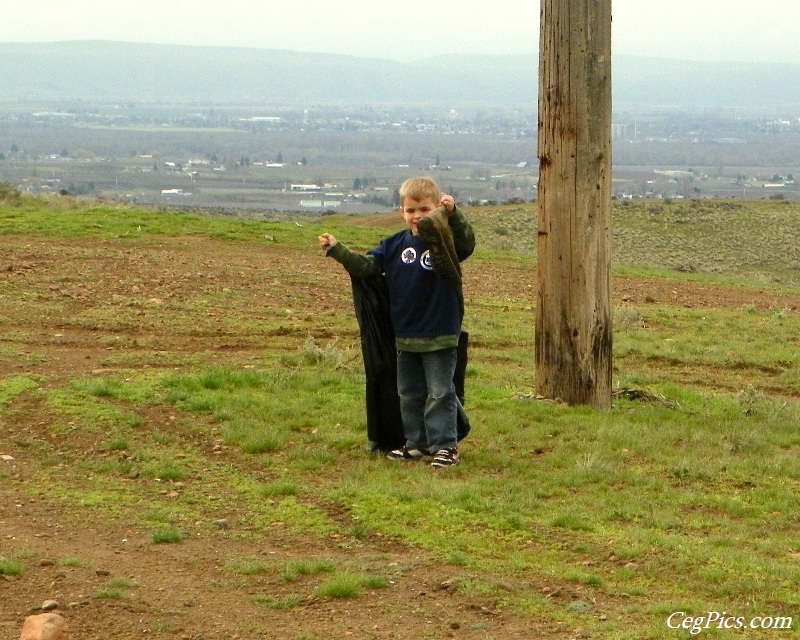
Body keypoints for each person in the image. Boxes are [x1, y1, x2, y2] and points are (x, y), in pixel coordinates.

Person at [318, 176, 475, 467]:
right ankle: (416, 443)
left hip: (441, 330)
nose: (417, 216)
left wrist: (455, 215)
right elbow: (366, 267)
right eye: (410, 210)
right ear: (401, 211)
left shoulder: (446, 240)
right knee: (409, 392)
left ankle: (445, 447)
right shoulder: (392, 245)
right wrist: (338, 250)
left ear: (436, 208)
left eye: (425, 210)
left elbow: (466, 244)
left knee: (440, 392)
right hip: (404, 333)